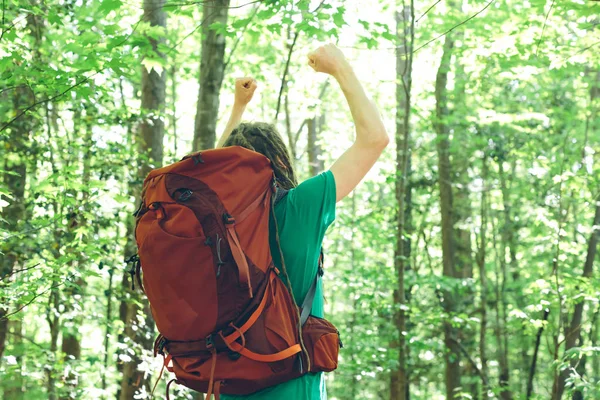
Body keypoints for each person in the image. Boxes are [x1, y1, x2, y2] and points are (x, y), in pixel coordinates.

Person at [218, 43, 389, 400]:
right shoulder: (300, 207)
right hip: (293, 388)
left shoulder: (217, 226)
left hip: (227, 386)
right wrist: (340, 67)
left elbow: (214, 174)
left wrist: (238, 109)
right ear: (280, 159)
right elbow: (375, 138)